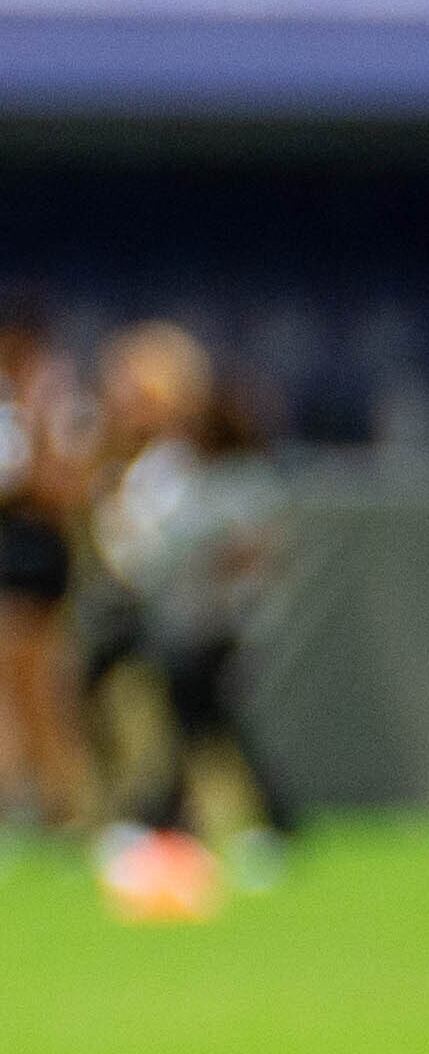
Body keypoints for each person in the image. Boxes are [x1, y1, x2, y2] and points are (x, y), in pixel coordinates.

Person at [93, 323, 297, 864]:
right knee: (197, 721)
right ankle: (191, 819)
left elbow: (246, 550)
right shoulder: (159, 469)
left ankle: (180, 819)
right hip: (178, 619)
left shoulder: (230, 476)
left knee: (203, 720)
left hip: (220, 623)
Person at [0, 294, 90, 832]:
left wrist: (39, 426)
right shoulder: (9, 413)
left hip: (44, 561)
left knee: (45, 688)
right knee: (14, 688)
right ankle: (24, 802)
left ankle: (65, 805)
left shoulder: (61, 410)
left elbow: (63, 489)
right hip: (11, 554)